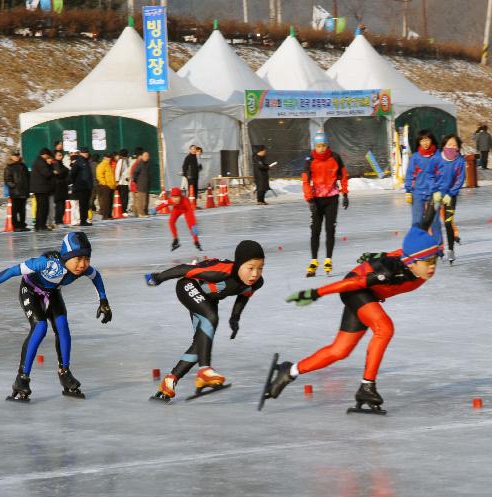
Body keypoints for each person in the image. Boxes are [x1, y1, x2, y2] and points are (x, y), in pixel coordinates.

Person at [265, 226, 439, 414]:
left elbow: (401, 251)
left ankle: (289, 371)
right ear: (411, 262)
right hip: (356, 289)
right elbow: (354, 283)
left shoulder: (414, 262)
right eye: (427, 261)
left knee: (339, 351)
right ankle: (367, 386)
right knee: (384, 328)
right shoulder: (391, 271)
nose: (432, 266)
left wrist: (378, 254)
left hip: (370, 296)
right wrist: (316, 293)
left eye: (435, 260)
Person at [0, 232, 112, 401]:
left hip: (52, 293)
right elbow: (11, 271)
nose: (82, 264)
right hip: (30, 291)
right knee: (40, 327)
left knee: (63, 327)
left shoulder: (82, 269)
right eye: (78, 259)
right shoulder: (47, 263)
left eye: (86, 259)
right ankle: (21, 378)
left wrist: (103, 301)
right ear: (66, 257)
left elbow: (96, 277)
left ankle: (65, 372)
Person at [145, 240, 265, 401]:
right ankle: (204, 371)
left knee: (201, 343)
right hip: (188, 286)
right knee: (211, 318)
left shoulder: (256, 282)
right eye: (250, 268)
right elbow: (185, 269)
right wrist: (158, 277)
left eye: (260, 268)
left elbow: (244, 295)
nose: (255, 274)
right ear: (238, 265)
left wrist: (234, 318)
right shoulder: (221, 272)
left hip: (208, 299)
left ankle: (169, 381)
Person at [302, 132, 349, 277]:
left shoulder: (335, 158)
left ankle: (328, 259)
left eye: (323, 145)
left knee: (330, 229)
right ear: (314, 146)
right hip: (316, 200)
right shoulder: (310, 160)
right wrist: (310, 199)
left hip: (331, 199)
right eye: (318, 146)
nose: (321, 149)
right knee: (315, 230)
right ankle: (314, 260)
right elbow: (305, 181)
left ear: (327, 145)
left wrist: (345, 194)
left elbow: (343, 176)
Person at [405, 130, 442, 248]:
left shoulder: (438, 155)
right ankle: (416, 246)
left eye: (427, 139)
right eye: (422, 140)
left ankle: (438, 246)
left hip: (434, 194)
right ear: (419, 142)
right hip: (418, 193)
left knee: (435, 222)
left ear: (432, 140)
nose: (425, 142)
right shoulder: (415, 157)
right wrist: (408, 191)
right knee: (416, 221)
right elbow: (410, 174)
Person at [434, 134, 466, 264]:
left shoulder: (460, 161)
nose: (452, 147)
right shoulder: (437, 157)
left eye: (454, 145)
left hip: (450, 197)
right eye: (449, 144)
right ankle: (435, 249)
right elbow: (430, 174)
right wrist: (434, 190)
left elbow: (460, 179)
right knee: (430, 221)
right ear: (444, 145)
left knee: (448, 223)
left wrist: (451, 193)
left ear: (458, 147)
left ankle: (451, 250)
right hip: (436, 194)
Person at [4, 151, 30, 231]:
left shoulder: (23, 166)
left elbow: (28, 177)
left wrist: (27, 187)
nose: (16, 157)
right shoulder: (9, 167)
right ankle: (15, 226)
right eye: (15, 156)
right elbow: (7, 179)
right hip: (15, 192)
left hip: (24, 192)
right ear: (11, 157)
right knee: (15, 210)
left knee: (22, 210)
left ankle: (22, 225)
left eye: (18, 155)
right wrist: (14, 186)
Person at [30, 148, 55, 231]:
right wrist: (50, 166)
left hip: (40, 188)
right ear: (45, 154)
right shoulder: (41, 162)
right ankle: (41, 225)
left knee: (41, 207)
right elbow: (47, 174)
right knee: (43, 208)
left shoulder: (38, 161)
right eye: (48, 156)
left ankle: (38, 225)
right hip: (41, 189)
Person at [70, 148, 94, 226]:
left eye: (87, 152)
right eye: (84, 152)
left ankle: (84, 219)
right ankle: (83, 220)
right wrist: (76, 183)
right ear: (81, 153)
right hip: (81, 186)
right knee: (83, 204)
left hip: (87, 186)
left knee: (86, 204)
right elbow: (72, 173)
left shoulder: (86, 161)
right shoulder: (79, 161)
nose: (86, 154)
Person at [95, 153, 116, 220]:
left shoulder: (109, 165)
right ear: (105, 158)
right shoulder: (102, 165)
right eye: (108, 157)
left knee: (110, 201)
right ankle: (105, 215)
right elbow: (99, 175)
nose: (109, 159)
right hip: (105, 186)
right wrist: (104, 183)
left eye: (110, 157)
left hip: (110, 186)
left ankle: (109, 215)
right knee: (106, 202)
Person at [52, 150, 70, 224]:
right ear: (55, 156)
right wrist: (65, 170)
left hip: (62, 187)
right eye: (59, 155)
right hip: (58, 187)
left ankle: (60, 220)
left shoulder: (60, 164)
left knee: (62, 206)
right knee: (59, 205)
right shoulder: (55, 164)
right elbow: (59, 173)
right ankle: (58, 220)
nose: (61, 156)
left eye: (61, 155)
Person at [132, 150, 151, 218]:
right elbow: (135, 173)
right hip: (141, 185)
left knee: (146, 200)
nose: (147, 157)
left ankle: (145, 212)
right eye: (145, 156)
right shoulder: (140, 163)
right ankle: (140, 213)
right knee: (141, 200)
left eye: (148, 156)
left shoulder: (148, 164)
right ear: (142, 156)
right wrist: (136, 181)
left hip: (146, 184)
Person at [114, 148, 130, 217]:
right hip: (122, 182)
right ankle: (124, 210)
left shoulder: (125, 160)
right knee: (124, 197)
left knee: (125, 196)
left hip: (125, 181)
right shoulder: (121, 161)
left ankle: (124, 209)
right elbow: (118, 171)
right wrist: (117, 180)